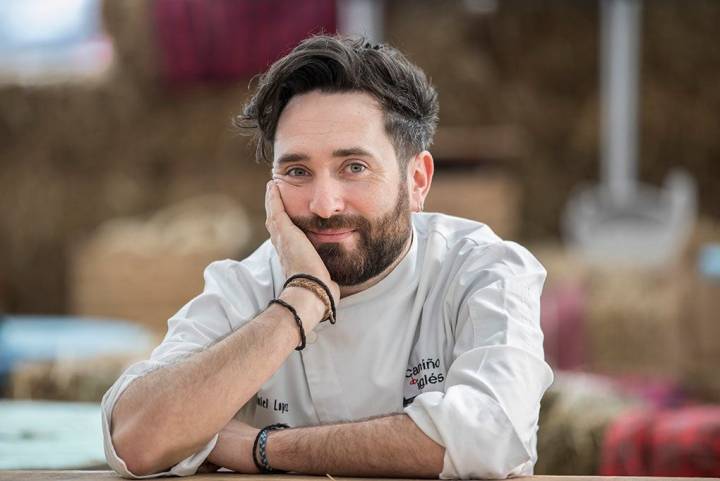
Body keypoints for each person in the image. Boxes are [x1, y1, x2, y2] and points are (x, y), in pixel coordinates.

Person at [102, 35, 553, 479]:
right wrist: (301, 301)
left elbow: (490, 435)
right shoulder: (247, 287)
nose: (324, 204)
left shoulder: (482, 270)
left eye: (353, 168)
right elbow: (136, 439)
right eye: (297, 171)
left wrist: (262, 447)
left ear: (417, 180)